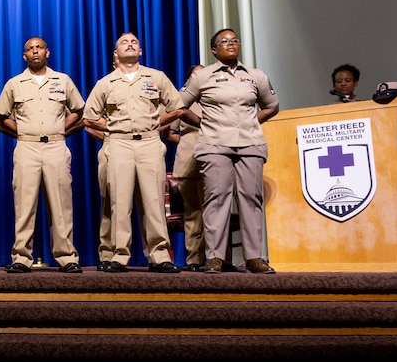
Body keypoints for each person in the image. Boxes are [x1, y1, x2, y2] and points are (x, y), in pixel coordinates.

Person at [175, 28, 280, 274]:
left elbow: (272, 105)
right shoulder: (203, 76)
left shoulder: (255, 76)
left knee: (251, 199)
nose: (231, 44)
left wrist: (254, 120)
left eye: (235, 40)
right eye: (224, 41)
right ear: (214, 49)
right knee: (217, 198)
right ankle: (215, 258)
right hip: (214, 144)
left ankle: (254, 257)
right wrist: (202, 122)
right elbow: (180, 105)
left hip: (250, 143)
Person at [82, 33, 182, 272]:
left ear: (141, 52)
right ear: (115, 54)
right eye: (124, 42)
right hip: (119, 144)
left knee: (154, 201)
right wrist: (114, 127)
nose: (130, 44)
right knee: (120, 201)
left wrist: (156, 121)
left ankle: (160, 256)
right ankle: (119, 255)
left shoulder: (156, 77)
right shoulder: (106, 83)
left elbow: (177, 108)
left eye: (135, 42)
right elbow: (89, 117)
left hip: (148, 142)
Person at [0, 37, 85, 273]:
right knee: (24, 205)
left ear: (48, 52)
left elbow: (78, 111)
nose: (35, 51)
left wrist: (58, 130)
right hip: (27, 147)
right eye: (30, 49)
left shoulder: (62, 80)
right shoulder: (15, 83)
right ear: (24, 56)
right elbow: (1, 117)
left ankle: (67, 258)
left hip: (56, 147)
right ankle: (21, 257)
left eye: (39, 47)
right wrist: (23, 131)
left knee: (61, 205)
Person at [165, 66, 207, 268]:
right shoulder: (181, 101)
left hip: (215, 153)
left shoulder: (216, 98)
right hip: (188, 157)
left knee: (217, 210)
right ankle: (194, 259)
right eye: (195, 74)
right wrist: (185, 142)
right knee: (193, 211)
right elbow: (170, 133)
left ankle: (220, 258)